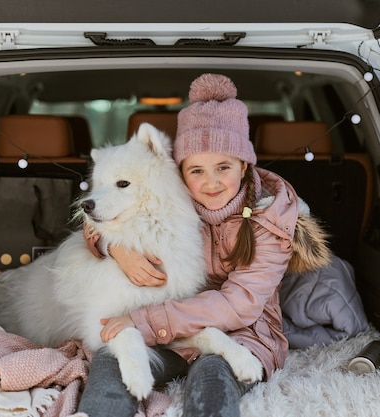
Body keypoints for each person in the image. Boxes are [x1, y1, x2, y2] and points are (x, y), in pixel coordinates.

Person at [77, 73, 327, 417]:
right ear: (180, 172)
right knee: (110, 358)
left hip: (242, 333)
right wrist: (111, 246)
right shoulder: (176, 197)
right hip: (172, 331)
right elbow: (113, 213)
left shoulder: (272, 220)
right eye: (196, 170)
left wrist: (142, 320)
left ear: (244, 165)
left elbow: (239, 305)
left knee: (212, 371)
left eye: (222, 166)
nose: (210, 183)